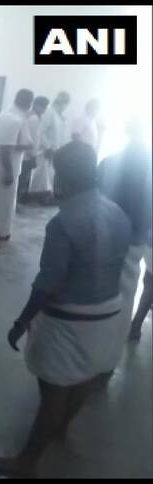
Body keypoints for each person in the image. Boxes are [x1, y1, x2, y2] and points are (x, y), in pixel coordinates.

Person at [0, 141, 131, 478]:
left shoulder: (64, 222)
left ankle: (28, 461)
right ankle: (60, 429)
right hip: (107, 312)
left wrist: (22, 321)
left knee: (53, 390)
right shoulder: (116, 212)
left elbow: (49, 283)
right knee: (82, 379)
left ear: (62, 176)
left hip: (70, 319)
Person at [97, 119, 153, 344]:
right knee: (128, 289)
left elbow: (96, 198)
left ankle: (100, 337)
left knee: (102, 288)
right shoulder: (147, 164)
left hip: (106, 236)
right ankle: (118, 338)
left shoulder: (109, 162)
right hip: (136, 238)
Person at [0, 89, 34, 247]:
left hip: (0, 164)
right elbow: (5, 148)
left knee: (3, 203)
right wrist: (8, 172)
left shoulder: (4, 115)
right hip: (3, 168)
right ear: (28, 103)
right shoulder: (13, 119)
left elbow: (8, 144)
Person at [29, 91, 71, 204]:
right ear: (58, 101)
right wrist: (48, 147)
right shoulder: (49, 113)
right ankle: (37, 197)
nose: (65, 105)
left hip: (56, 151)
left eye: (66, 103)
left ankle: (45, 197)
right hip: (45, 151)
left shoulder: (60, 116)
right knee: (42, 176)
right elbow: (41, 132)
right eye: (64, 102)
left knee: (49, 176)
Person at [18, 96, 50, 203]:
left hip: (27, 153)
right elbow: (32, 139)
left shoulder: (33, 117)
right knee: (23, 179)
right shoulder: (33, 119)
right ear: (36, 105)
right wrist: (33, 155)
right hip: (27, 155)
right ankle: (18, 201)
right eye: (43, 107)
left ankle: (19, 199)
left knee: (24, 178)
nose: (44, 110)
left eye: (45, 107)